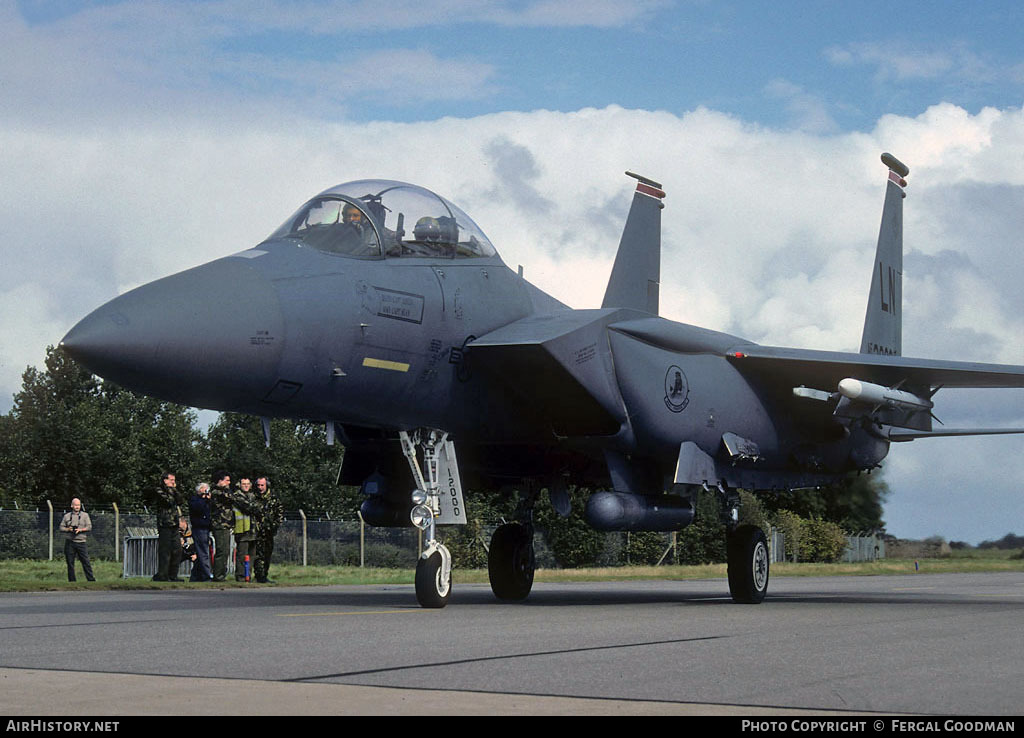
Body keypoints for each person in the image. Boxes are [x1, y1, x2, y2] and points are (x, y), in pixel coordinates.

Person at [208, 470, 248, 582]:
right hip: (220, 524)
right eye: (227, 480)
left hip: (225, 524)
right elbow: (231, 497)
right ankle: (218, 575)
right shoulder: (217, 492)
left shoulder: (221, 491)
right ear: (220, 481)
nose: (228, 483)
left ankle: (220, 574)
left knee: (225, 550)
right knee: (222, 550)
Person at [153, 472, 185, 581]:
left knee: (177, 550)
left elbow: (180, 500)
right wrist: (171, 490)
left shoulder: (173, 491)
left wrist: (174, 490)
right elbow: (168, 501)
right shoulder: (159, 490)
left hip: (174, 524)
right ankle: (162, 574)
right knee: (165, 551)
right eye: (171, 480)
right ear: (165, 480)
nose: (173, 482)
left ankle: (173, 575)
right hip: (165, 523)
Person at [252, 476, 284, 584]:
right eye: (258, 485)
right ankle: (259, 576)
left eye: (262, 485)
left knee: (267, 554)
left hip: (269, 531)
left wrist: (274, 526)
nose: (260, 488)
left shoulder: (273, 499)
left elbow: (279, 515)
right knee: (258, 555)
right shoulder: (253, 498)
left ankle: (264, 575)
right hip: (257, 531)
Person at [59, 498, 95, 582]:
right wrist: (69, 529)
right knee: (70, 563)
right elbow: (61, 527)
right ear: (72, 505)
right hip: (70, 542)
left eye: (78, 505)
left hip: (81, 542)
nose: (77, 507)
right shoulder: (67, 516)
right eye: (75, 505)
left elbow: (89, 527)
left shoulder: (85, 515)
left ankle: (91, 580)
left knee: (86, 562)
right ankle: (72, 581)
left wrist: (81, 530)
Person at [233, 477, 256, 581]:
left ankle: (248, 575)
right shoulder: (237, 496)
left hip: (252, 529)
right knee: (242, 555)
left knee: (252, 554)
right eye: (244, 484)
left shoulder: (252, 496)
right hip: (242, 530)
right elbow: (249, 507)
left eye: (248, 484)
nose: (246, 486)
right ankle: (241, 576)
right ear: (240, 485)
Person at [188, 482, 213, 582]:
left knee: (202, 552)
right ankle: (206, 575)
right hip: (199, 528)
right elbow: (198, 509)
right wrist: (204, 499)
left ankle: (196, 576)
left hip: (206, 528)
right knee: (203, 553)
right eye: (204, 489)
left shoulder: (208, 501)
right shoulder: (195, 500)